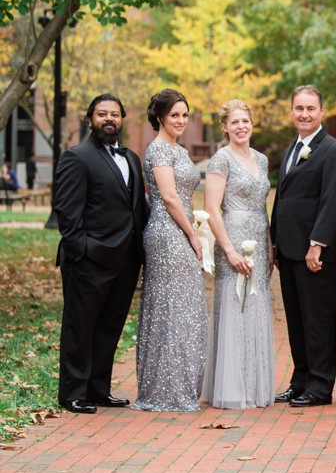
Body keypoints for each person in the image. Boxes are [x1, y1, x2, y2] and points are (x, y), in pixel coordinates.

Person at [53, 93, 148, 413]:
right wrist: (82, 251)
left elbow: (137, 208)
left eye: (115, 114)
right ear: (89, 119)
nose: (109, 119)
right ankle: (72, 392)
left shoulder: (132, 158)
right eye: (102, 114)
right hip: (89, 260)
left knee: (110, 327)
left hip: (125, 260)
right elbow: (67, 212)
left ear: (122, 119)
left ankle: (98, 389)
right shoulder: (76, 157)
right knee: (80, 327)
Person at [270, 85, 336, 407]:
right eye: (299, 108)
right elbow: (283, 198)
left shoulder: (334, 150)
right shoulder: (292, 148)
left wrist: (317, 244)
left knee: (318, 320)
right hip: (289, 250)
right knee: (297, 319)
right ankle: (300, 379)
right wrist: (275, 243)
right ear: (292, 111)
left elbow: (334, 201)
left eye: (310, 108)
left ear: (322, 111)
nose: (304, 114)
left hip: (316, 252)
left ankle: (319, 386)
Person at [132, 89, 209, 412]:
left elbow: (186, 194)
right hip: (167, 233)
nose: (180, 120)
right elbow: (169, 196)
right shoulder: (159, 150)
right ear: (160, 117)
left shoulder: (178, 150)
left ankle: (181, 383)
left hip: (182, 230)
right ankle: (162, 389)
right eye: (174, 115)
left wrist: (196, 230)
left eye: (184, 115)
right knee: (169, 307)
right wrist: (192, 234)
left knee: (185, 307)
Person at [201, 100, 275, 409]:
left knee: (255, 306)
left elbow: (262, 208)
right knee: (235, 305)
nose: (241, 126)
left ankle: (253, 384)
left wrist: (269, 247)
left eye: (245, 121)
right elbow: (211, 209)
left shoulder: (261, 159)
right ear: (225, 127)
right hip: (232, 237)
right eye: (235, 122)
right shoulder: (221, 159)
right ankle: (231, 387)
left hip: (258, 237)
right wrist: (229, 249)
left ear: (252, 123)